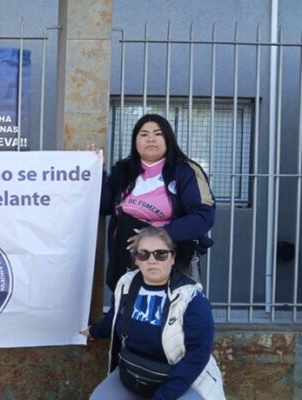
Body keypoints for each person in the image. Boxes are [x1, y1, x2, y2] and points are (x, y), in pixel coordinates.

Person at [81, 227, 225, 399]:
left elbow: (197, 357)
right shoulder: (127, 284)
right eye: (143, 254)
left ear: (172, 258)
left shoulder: (191, 298)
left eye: (160, 254)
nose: (152, 260)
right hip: (134, 372)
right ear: (136, 260)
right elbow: (115, 315)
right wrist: (93, 332)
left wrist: (162, 397)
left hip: (182, 379)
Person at [96, 114, 215, 290]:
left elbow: (203, 216)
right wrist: (97, 170)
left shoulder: (186, 171)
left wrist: (157, 236)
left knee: (168, 305)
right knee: (127, 303)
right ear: (135, 141)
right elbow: (104, 206)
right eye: (144, 134)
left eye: (158, 134)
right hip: (126, 259)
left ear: (168, 139)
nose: (151, 139)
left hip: (171, 259)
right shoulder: (123, 170)